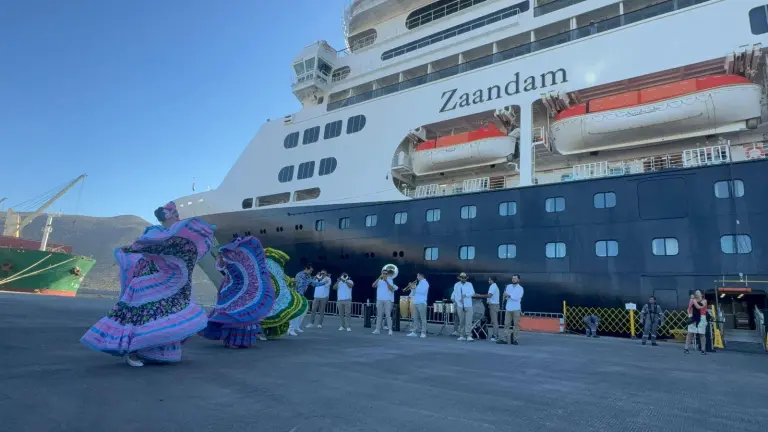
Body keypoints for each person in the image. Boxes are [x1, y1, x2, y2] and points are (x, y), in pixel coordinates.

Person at [80, 202, 214, 367]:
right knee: (143, 314)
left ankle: (156, 351)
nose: (179, 217)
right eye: (176, 215)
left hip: (167, 281)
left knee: (164, 313)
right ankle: (133, 352)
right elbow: (143, 245)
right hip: (149, 278)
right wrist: (132, 249)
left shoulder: (173, 236)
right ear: (168, 216)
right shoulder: (155, 232)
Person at [199, 236, 275, 348]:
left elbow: (221, 267)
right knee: (238, 311)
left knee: (236, 310)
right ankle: (238, 341)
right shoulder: (236, 258)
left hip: (235, 287)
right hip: (235, 287)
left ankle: (234, 340)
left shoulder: (230, 258)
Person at [289, 264, 320, 336]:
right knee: (296, 311)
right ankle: (291, 329)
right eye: (310, 271)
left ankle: (296, 327)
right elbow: (299, 286)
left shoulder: (308, 276)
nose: (311, 272)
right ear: (306, 269)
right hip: (296, 295)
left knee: (304, 310)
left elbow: (313, 283)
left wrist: (323, 283)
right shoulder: (300, 275)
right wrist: (300, 296)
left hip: (301, 295)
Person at [498, 274, 523, 345]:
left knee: (516, 325)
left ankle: (515, 339)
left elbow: (517, 297)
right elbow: (506, 296)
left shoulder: (520, 288)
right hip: (508, 308)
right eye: (512, 278)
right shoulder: (508, 286)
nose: (513, 280)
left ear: (518, 280)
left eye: (515, 278)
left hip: (516, 309)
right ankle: (504, 339)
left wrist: (508, 295)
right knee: (506, 324)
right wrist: (505, 297)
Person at [372, 268, 397, 335]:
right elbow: (373, 285)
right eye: (383, 273)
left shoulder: (390, 280)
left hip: (387, 300)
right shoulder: (379, 280)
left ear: (387, 274)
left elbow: (391, 289)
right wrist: (378, 278)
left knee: (388, 315)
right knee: (379, 315)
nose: (384, 275)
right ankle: (377, 329)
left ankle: (390, 330)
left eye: (385, 274)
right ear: (381, 273)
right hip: (379, 299)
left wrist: (386, 281)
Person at [451, 272, 475, 341]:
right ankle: (462, 335)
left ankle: (468, 335)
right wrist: (459, 300)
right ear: (460, 278)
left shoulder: (469, 284)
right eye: (462, 277)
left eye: (464, 278)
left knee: (468, 321)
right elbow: (455, 294)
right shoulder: (456, 285)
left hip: (468, 305)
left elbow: (472, 293)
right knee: (461, 321)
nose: (463, 279)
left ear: (466, 278)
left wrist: (465, 295)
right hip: (460, 305)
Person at [476, 277, 500, 341]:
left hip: (493, 305)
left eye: (489, 280)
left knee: (494, 321)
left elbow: (489, 295)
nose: (488, 281)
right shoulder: (493, 286)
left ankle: (495, 335)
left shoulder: (493, 286)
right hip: (491, 305)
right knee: (492, 321)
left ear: (491, 280)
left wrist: (479, 296)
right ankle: (494, 335)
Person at [685, 290, 708, 355]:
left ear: (702, 294)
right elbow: (688, 308)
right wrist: (689, 314)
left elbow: (699, 307)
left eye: (698, 292)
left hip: (701, 317)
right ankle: (686, 348)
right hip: (693, 317)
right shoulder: (692, 300)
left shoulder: (704, 301)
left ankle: (703, 349)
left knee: (702, 334)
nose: (696, 293)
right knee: (690, 333)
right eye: (696, 292)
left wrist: (693, 300)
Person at [407, 272, 429, 338]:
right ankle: (414, 331)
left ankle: (423, 332)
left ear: (421, 276)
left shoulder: (425, 283)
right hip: (416, 302)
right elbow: (414, 294)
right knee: (415, 318)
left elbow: (422, 292)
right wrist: (412, 290)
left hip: (422, 303)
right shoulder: (419, 284)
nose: (417, 277)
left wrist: (414, 288)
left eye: (417, 276)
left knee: (423, 318)